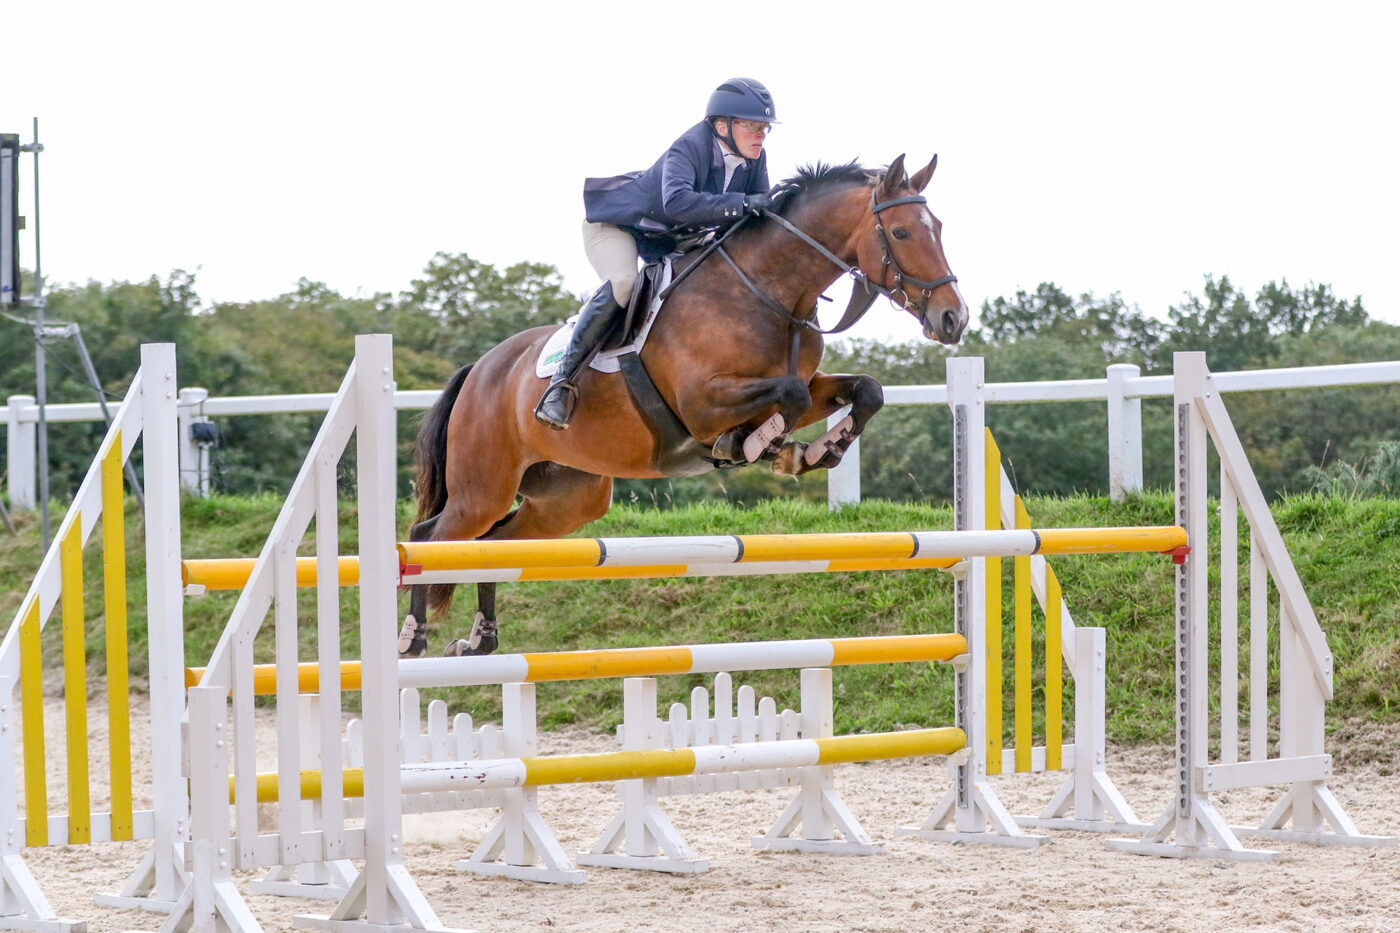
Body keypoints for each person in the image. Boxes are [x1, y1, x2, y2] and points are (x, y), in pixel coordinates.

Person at [534, 77, 778, 429]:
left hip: (667, 239)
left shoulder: (755, 158)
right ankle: (560, 384)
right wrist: (741, 203)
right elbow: (677, 202)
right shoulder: (690, 147)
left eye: (765, 129)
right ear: (722, 125)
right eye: (753, 126)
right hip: (617, 226)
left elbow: (755, 214)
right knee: (624, 283)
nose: (761, 136)